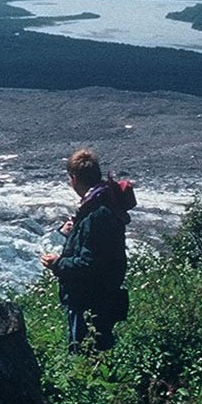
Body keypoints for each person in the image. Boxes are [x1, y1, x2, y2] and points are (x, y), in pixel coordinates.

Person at [41, 149, 136, 353]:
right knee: (100, 354)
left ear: (74, 178)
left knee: (86, 356)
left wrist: (57, 263)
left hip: (89, 301)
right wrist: (73, 232)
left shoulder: (96, 215)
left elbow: (89, 263)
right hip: (104, 297)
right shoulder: (103, 203)